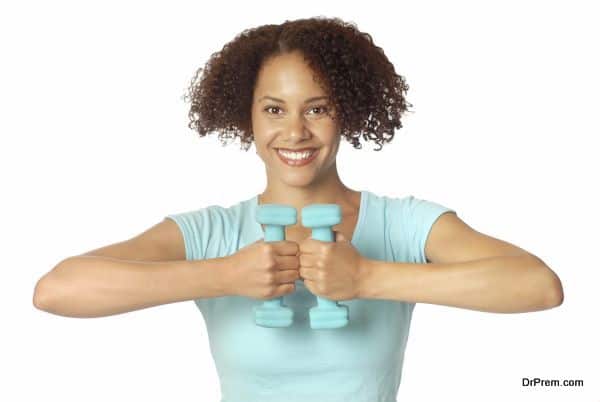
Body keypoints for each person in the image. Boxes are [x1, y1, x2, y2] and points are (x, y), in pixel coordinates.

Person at [33, 16, 563, 402]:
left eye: (317, 108)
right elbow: (57, 290)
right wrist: (225, 275)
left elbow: (537, 285)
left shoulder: (403, 225)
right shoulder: (212, 233)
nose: (295, 132)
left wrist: (369, 277)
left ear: (347, 113)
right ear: (248, 119)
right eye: (274, 110)